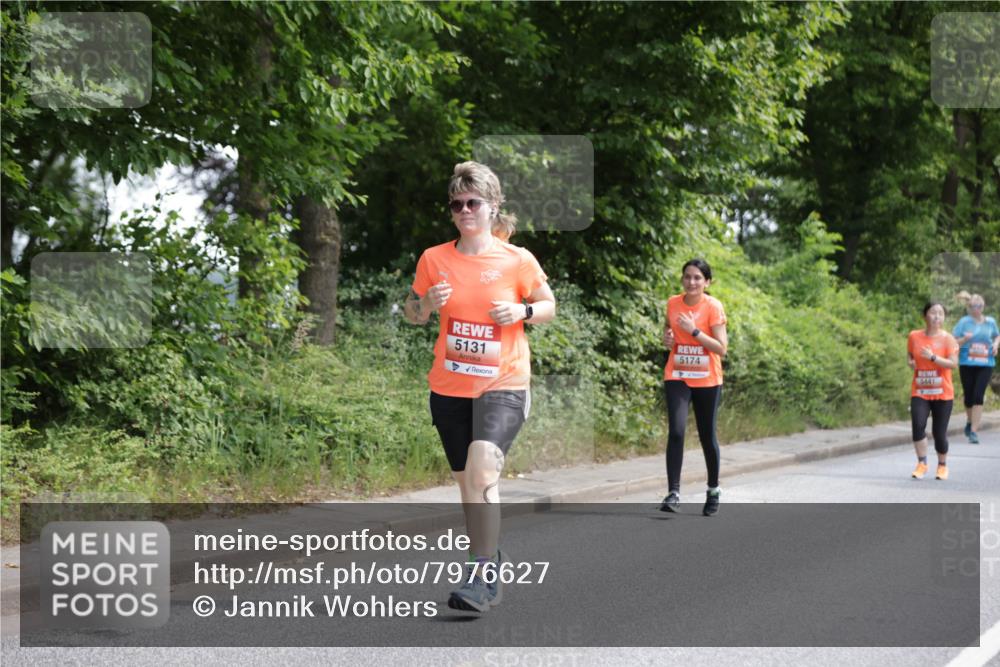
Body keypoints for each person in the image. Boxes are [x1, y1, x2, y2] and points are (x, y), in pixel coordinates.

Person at [404, 161, 555, 613]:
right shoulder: (434, 258)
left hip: (504, 382)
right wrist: (427, 302)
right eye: (457, 204)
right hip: (449, 386)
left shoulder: (516, 259)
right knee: (469, 486)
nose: (464, 210)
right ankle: (486, 557)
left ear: (492, 207)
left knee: (482, 468)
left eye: (473, 202)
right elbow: (414, 314)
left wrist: (523, 314)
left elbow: (548, 304)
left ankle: (481, 573)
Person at [659, 259, 728, 516]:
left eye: (698, 278)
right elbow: (669, 331)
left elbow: (721, 348)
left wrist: (695, 331)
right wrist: (667, 337)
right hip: (677, 374)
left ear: (707, 282)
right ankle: (673, 492)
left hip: (707, 378)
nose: (692, 282)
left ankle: (713, 490)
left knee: (706, 436)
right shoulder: (673, 303)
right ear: (682, 279)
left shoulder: (713, 307)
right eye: (688, 277)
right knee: (676, 431)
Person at [907, 302, 960, 480]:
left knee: (939, 433)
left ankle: (942, 465)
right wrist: (910, 362)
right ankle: (922, 463)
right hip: (920, 391)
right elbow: (910, 354)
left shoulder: (948, 339)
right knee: (918, 425)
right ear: (925, 316)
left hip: (942, 393)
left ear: (944, 318)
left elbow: (953, 364)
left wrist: (933, 357)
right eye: (933, 312)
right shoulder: (914, 336)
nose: (937, 316)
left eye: (940, 313)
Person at [953, 293, 999, 444]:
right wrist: (964, 339)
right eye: (973, 306)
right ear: (969, 307)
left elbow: (997, 336)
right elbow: (953, 342)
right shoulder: (964, 322)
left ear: (983, 306)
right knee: (969, 397)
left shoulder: (990, 322)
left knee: (978, 396)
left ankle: (973, 431)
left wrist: (995, 346)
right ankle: (969, 420)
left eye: (979, 306)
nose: (976, 309)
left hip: (985, 364)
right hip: (967, 363)